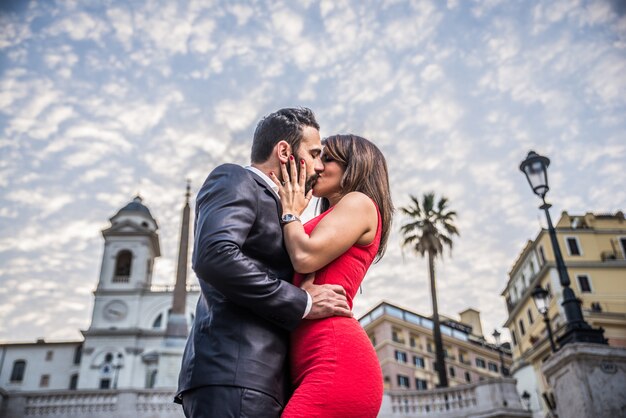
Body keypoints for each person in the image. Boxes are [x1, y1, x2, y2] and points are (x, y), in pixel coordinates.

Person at [176, 108, 353, 418]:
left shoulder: (285, 208)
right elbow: (216, 256)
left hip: (263, 382)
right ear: (284, 151)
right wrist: (303, 302)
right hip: (236, 377)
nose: (320, 165)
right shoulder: (235, 178)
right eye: (314, 154)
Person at [269, 134, 394, 417]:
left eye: (327, 159)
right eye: (317, 158)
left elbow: (305, 256)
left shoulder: (359, 202)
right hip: (311, 361)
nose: (317, 167)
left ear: (356, 166)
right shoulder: (334, 214)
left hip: (336, 362)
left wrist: (290, 213)